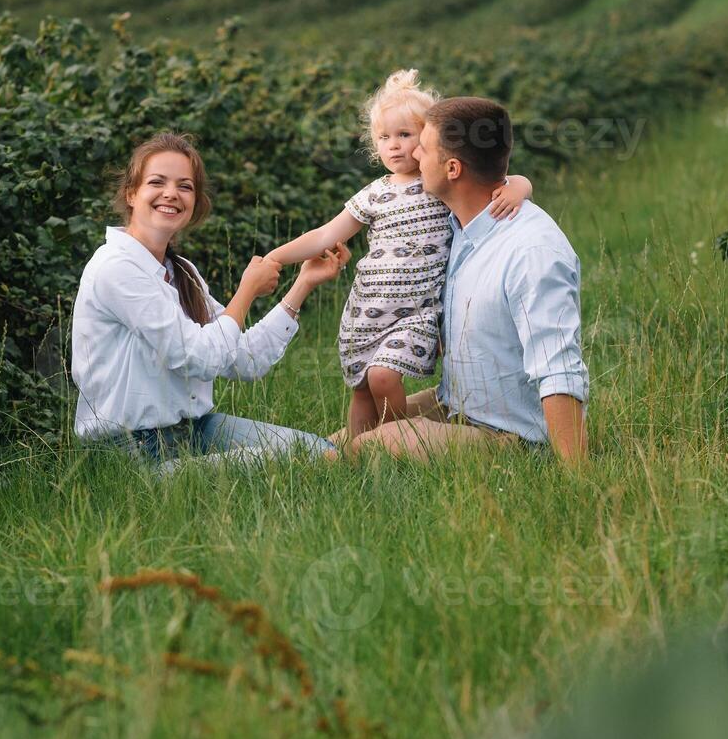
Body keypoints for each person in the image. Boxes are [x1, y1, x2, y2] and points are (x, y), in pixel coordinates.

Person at [267, 70, 533, 439]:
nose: (393, 145)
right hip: (366, 310)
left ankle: (397, 441)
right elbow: (327, 233)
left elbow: (501, 179)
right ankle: (353, 457)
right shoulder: (373, 194)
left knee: (383, 376)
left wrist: (520, 186)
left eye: (405, 135)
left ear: (426, 137)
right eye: (384, 137)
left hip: (415, 313)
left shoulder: (439, 183)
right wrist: (276, 257)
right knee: (362, 388)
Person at [71, 132, 349, 468]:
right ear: (132, 193)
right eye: (157, 182)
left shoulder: (182, 271)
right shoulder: (116, 267)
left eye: (185, 186)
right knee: (316, 459)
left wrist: (303, 282)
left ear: (195, 200)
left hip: (195, 430)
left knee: (319, 452)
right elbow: (195, 357)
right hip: (134, 450)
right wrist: (246, 291)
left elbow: (244, 360)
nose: (171, 194)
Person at [347, 97, 589, 463]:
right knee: (343, 440)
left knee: (367, 447)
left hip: (511, 436)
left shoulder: (531, 251)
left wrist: (578, 479)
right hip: (456, 406)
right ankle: (239, 456)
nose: (414, 158)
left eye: (424, 150)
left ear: (453, 169)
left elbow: (559, 369)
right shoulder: (457, 225)